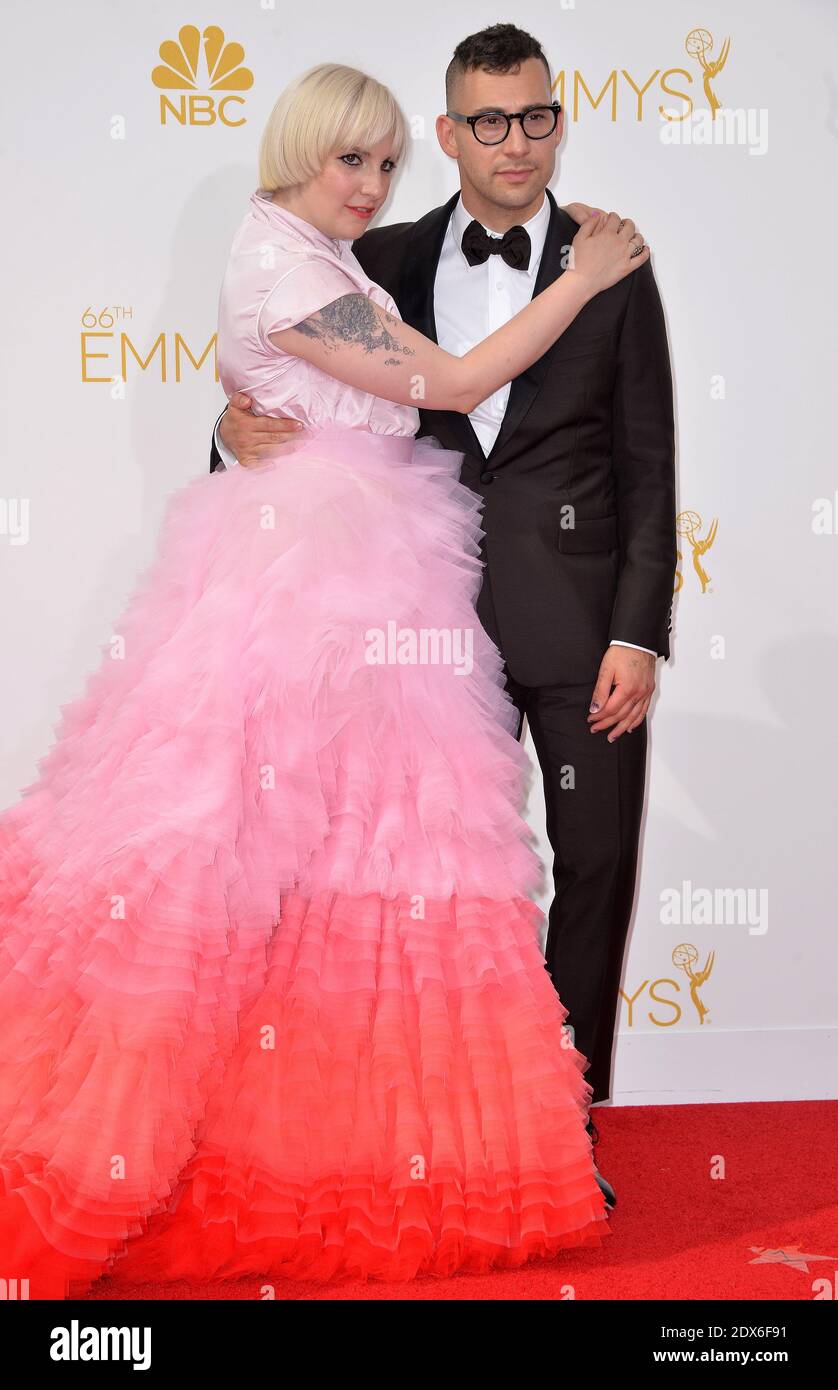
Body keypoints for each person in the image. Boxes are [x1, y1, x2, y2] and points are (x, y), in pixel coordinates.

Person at [0, 58, 648, 1297]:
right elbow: (453, 384)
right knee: (218, 854)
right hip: (310, 583)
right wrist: (578, 278)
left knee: (353, 868)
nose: (372, 183)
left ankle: (337, 1151)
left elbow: (327, 378)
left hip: (368, 578)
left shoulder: (309, 252)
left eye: (388, 162)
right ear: (299, 150)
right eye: (349, 159)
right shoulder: (292, 264)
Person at [214, 25, 678, 1205]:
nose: (513, 141)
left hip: (576, 624)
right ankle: (438, 1128)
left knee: (597, 862)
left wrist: (638, 630)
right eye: (487, 120)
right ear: (450, 132)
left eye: (534, 117)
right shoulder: (383, 254)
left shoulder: (611, 258)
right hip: (414, 630)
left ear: (557, 121)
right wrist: (226, 437)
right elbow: (306, 388)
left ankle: (558, 1131)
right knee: (432, 887)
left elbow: (647, 458)